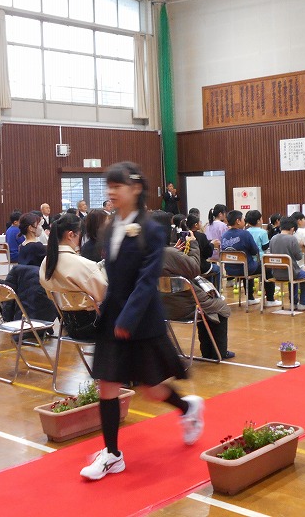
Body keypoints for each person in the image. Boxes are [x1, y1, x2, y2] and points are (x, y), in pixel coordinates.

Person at [79, 162, 202, 481]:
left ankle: (188, 408)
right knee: (107, 384)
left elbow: (147, 280)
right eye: (109, 186)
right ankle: (112, 455)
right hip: (113, 318)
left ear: (135, 188)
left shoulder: (151, 229)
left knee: (152, 389)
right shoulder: (110, 227)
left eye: (117, 186)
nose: (111, 192)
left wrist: (128, 317)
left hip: (141, 319)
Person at [160, 232, 234, 360]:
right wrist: (193, 244)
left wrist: (175, 251)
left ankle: (207, 351)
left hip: (165, 308)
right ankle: (218, 352)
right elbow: (194, 269)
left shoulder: (149, 254)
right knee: (220, 307)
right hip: (185, 307)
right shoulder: (169, 253)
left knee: (205, 306)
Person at [39, 213, 108, 341]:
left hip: (68, 326)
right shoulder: (81, 264)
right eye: (80, 235)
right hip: (93, 327)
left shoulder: (46, 262)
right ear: (71, 235)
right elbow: (103, 295)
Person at [268, 216, 305, 310]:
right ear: (292, 229)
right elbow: (299, 257)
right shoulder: (292, 239)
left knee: (294, 275)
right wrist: (300, 247)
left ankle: (293, 302)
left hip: (276, 273)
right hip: (291, 273)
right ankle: (303, 303)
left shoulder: (273, 238)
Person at [221, 210, 261, 305]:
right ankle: (269, 299)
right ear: (238, 221)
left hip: (229, 270)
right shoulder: (245, 234)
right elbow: (255, 251)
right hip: (245, 268)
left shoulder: (224, 235)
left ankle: (250, 297)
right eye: (243, 219)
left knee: (246, 264)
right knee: (265, 267)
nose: (244, 221)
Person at [245, 209, 281, 307]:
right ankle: (270, 299)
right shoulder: (262, 232)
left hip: (248, 261)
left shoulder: (246, 231)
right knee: (268, 272)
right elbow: (265, 247)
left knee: (248, 275)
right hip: (260, 260)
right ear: (258, 221)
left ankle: (249, 297)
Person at [187, 214, 219, 290]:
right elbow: (207, 254)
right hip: (200, 266)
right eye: (199, 222)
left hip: (188, 266)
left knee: (210, 270)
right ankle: (216, 292)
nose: (201, 224)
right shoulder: (201, 236)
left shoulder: (184, 235)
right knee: (217, 269)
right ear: (196, 225)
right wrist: (212, 245)